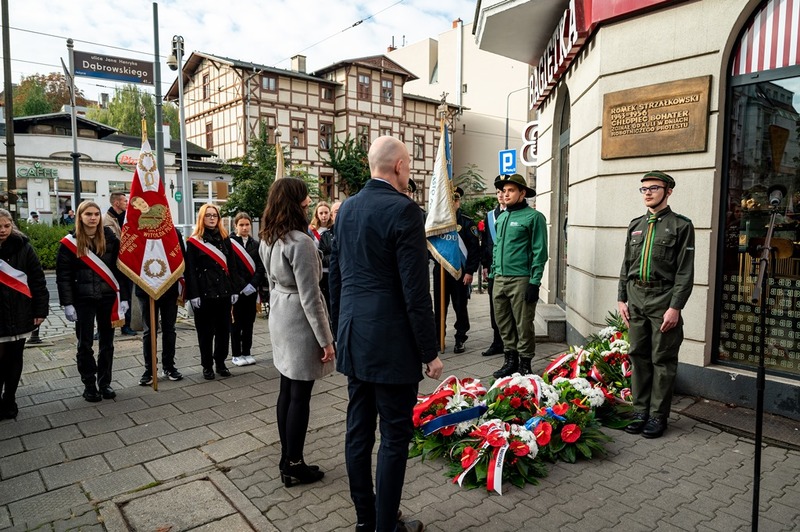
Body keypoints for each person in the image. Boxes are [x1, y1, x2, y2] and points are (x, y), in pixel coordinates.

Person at [330, 135, 443, 532]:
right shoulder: (405, 210)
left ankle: (367, 519)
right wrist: (429, 351)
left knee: (358, 431)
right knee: (394, 436)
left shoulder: (346, 208)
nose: (408, 171)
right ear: (398, 166)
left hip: (354, 335)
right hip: (391, 342)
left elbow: (336, 277)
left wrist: (340, 329)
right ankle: (384, 527)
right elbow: (415, 291)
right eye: (408, 164)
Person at [259, 178, 334, 487]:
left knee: (287, 389)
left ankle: (287, 456)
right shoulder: (300, 241)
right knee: (299, 395)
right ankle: (294, 462)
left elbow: (270, 280)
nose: (308, 202)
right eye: (304, 196)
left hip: (280, 313)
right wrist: (326, 340)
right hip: (299, 320)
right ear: (295, 201)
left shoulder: (269, 236)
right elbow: (311, 296)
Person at [618, 171, 695, 439]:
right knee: (638, 356)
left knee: (662, 358)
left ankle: (657, 416)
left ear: (668, 191)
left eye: (654, 188)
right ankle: (640, 411)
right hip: (636, 296)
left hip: (663, 298)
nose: (648, 193)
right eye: (644, 189)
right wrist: (621, 298)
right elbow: (626, 265)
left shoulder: (681, 226)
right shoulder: (635, 225)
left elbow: (685, 271)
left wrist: (675, 307)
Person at [56, 200, 130, 402]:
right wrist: (67, 303)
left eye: (96, 214)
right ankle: (89, 384)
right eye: (88, 214)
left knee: (107, 343)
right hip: (83, 300)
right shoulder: (69, 243)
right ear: (80, 217)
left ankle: (105, 383)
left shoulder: (110, 239)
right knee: (85, 344)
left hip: (108, 298)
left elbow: (121, 270)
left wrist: (124, 297)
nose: (93, 218)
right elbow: (63, 276)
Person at [490, 173, 548, 378]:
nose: (505, 194)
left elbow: (540, 252)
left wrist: (534, 282)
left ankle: (525, 363)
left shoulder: (534, 217)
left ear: (522, 193)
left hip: (521, 279)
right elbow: (496, 247)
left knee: (524, 324)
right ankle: (510, 360)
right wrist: (493, 273)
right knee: (503, 322)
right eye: (504, 190)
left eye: (511, 190)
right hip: (500, 278)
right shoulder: (502, 217)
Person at [0, 208, 49, 419]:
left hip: (20, 311)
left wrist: (40, 310)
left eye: (7, 226)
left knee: (15, 358)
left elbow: (37, 280)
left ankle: (10, 399)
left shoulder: (23, 246)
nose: (3, 230)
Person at [185, 204, 238, 380]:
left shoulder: (225, 239)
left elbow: (232, 266)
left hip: (223, 291)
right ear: (202, 218)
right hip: (204, 292)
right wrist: (193, 294)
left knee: (223, 331)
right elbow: (190, 271)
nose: (212, 218)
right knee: (205, 333)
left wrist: (234, 289)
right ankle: (207, 366)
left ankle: (221, 363)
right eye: (208, 215)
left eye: (215, 215)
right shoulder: (194, 242)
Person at [432, 186, 480, 353]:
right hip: (441, 271)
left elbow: (474, 250)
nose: (453, 203)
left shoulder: (467, 222)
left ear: (458, 202)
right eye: (449, 199)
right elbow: (430, 246)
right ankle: (439, 338)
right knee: (439, 307)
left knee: (460, 307)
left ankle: (460, 338)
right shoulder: (437, 223)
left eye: (455, 199)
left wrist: (470, 272)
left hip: (460, 272)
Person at [137, 229, 186, 385]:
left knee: (169, 329)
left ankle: (169, 366)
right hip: (145, 288)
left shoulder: (173, 232)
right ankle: (150, 369)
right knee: (149, 331)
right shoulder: (138, 232)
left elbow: (181, 258)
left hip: (169, 288)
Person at [229, 212, 265, 367]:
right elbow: (231, 268)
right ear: (235, 226)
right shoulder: (229, 244)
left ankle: (247, 352)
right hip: (237, 291)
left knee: (249, 323)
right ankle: (236, 354)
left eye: (247, 224)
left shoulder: (256, 244)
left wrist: (253, 284)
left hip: (251, 290)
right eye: (241, 225)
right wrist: (243, 285)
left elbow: (260, 267)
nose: (244, 228)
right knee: (236, 324)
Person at [480, 181, 507, 357]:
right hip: (493, 270)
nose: (501, 195)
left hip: (510, 270)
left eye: (504, 191)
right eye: (498, 192)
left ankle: (510, 344)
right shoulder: (490, 216)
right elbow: (485, 243)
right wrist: (484, 265)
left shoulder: (515, 214)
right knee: (494, 306)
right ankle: (497, 341)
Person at [104, 192, 137, 336]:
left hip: (125, 262)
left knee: (127, 295)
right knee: (109, 296)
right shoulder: (106, 220)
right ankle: (104, 327)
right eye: (124, 201)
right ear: (116, 203)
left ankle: (126, 325)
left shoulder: (126, 217)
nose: (127, 203)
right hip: (111, 263)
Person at [309, 202, 333, 306]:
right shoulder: (311, 230)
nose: (324, 216)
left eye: (326, 213)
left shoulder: (333, 229)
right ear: (317, 215)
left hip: (331, 269)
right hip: (317, 270)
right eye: (321, 213)